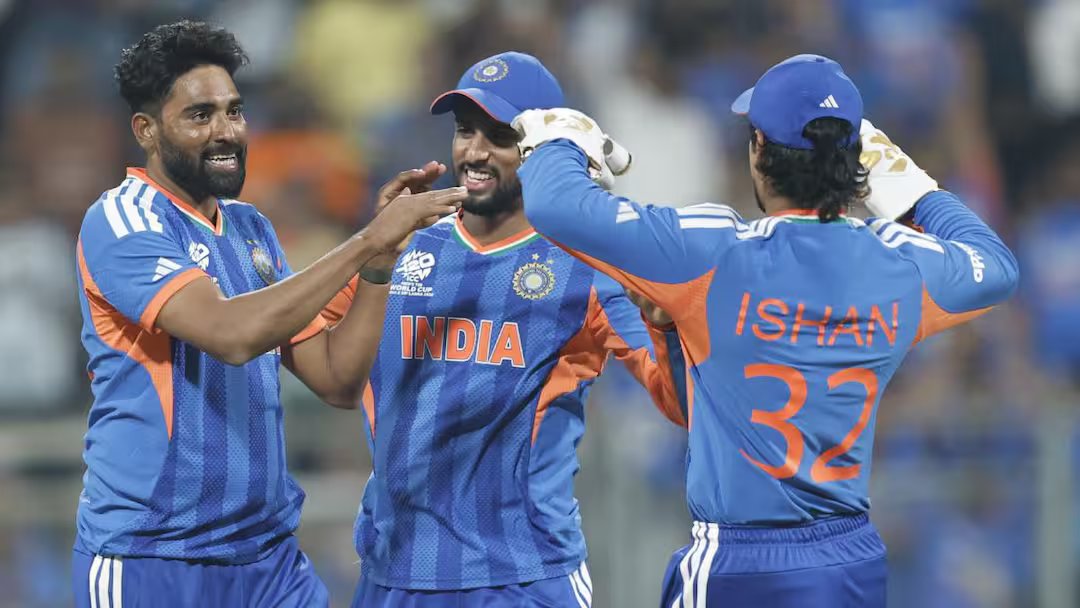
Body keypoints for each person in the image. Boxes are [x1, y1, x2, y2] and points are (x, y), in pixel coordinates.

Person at [514, 53, 1019, 606]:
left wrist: (562, 138)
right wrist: (909, 189)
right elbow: (996, 264)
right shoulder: (899, 264)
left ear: (759, 149)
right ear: (852, 158)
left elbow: (553, 203)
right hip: (849, 560)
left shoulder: (714, 251)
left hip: (740, 562)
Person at [72, 21, 464, 607]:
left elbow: (337, 378)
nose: (226, 131)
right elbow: (230, 334)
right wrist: (365, 240)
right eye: (200, 115)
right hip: (152, 557)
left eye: (234, 111)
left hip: (268, 559)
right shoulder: (122, 220)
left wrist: (379, 263)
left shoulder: (251, 229)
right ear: (146, 130)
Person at [321, 51, 686, 608]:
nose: (474, 152)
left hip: (523, 578)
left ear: (542, 147)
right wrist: (367, 248)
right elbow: (307, 340)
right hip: (394, 572)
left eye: (500, 136)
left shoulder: (589, 266)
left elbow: (677, 401)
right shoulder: (403, 246)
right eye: (465, 131)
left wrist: (667, 328)